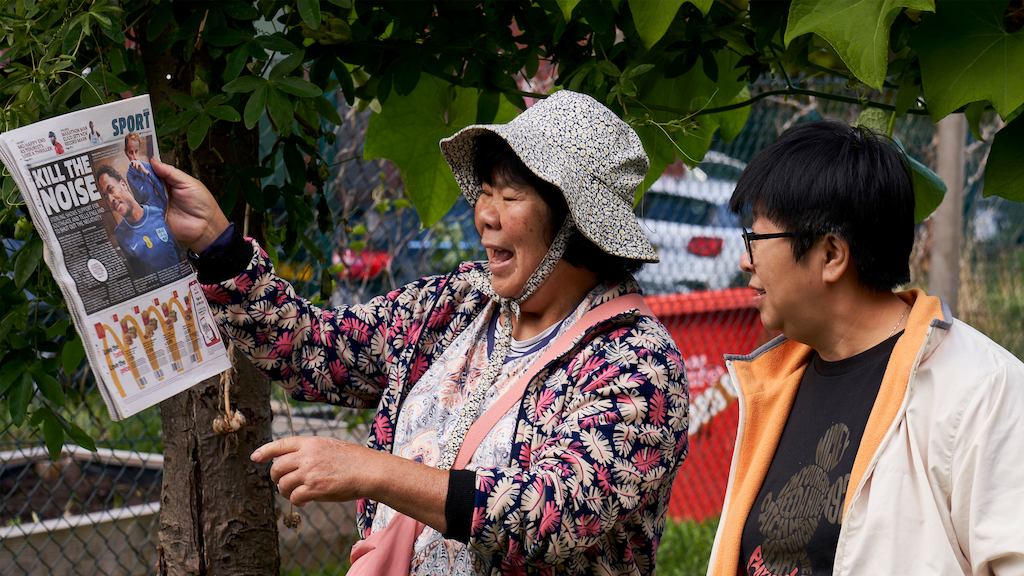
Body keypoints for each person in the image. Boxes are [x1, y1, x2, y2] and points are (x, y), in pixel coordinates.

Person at [153, 90, 690, 575]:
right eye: (484, 192)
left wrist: (373, 472)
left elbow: (551, 516)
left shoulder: (636, 363)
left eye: (510, 195)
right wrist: (215, 243)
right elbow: (319, 349)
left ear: (573, 220)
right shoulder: (457, 306)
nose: (485, 215)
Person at [706, 121, 1024, 575]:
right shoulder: (776, 383)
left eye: (756, 239)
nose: (744, 259)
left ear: (831, 255)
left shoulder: (983, 390)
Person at [96, 164, 181, 278]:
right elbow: (137, 273)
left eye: (111, 189)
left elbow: (180, 251)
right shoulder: (120, 234)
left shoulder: (158, 212)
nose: (110, 199)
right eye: (106, 197)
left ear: (123, 184)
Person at [124, 132, 168, 210]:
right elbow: (143, 196)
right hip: (151, 212)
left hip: (163, 206)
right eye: (130, 152)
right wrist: (144, 175)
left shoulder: (148, 166)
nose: (134, 157)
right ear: (126, 152)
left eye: (136, 151)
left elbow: (161, 188)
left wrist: (146, 172)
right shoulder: (130, 175)